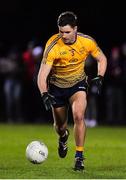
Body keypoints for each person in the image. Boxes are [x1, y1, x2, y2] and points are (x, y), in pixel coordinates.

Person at [37, 11, 107, 171]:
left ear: (75, 29)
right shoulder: (53, 45)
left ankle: (79, 157)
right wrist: (44, 93)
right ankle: (63, 138)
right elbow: (42, 74)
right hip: (56, 88)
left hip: (78, 84)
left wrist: (100, 76)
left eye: (67, 32)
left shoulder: (86, 41)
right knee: (60, 127)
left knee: (79, 116)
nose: (63, 35)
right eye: (61, 31)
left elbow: (102, 58)